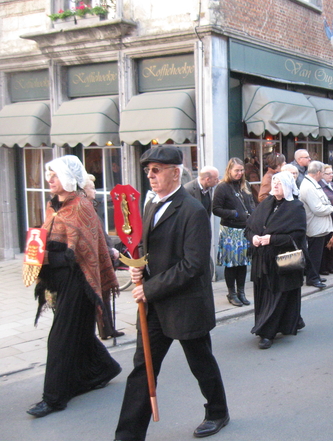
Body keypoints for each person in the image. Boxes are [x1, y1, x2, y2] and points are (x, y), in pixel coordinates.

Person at [114, 146, 229, 440]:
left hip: (185, 304)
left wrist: (148, 288)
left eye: (156, 170)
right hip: (154, 307)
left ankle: (217, 411)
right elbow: (151, 251)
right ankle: (127, 435)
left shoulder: (193, 210)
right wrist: (138, 267)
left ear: (175, 172)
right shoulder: (151, 205)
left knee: (201, 362)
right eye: (148, 171)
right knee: (143, 369)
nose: (150, 176)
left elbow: (193, 265)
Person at [27, 155, 121, 418]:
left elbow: (85, 252)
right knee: (76, 334)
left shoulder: (81, 206)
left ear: (68, 178)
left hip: (79, 283)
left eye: (55, 175)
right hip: (57, 281)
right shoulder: (54, 205)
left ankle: (54, 398)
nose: (49, 179)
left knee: (60, 339)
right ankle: (104, 368)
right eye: (49, 174)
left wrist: (51, 255)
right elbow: (49, 239)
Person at [245, 171, 307, 349]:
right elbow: (249, 228)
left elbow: (298, 235)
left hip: (282, 260)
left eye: (279, 183)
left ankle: (266, 332)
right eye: (274, 182)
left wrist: (272, 239)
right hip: (262, 261)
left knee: (279, 294)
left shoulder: (295, 207)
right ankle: (291, 321)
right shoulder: (265, 204)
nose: (275, 186)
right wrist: (254, 238)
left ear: (287, 186)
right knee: (265, 295)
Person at [83, 174, 124, 341]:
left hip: (103, 257)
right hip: (97, 261)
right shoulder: (84, 209)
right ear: (83, 191)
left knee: (105, 296)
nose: (94, 190)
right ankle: (104, 329)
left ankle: (107, 328)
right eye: (91, 188)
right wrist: (109, 250)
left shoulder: (91, 207)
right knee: (100, 297)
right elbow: (91, 238)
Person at [213, 157, 255, 306]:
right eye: (237, 170)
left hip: (245, 230)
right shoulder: (222, 187)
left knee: (243, 263)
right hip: (230, 231)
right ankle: (231, 294)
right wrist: (234, 214)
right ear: (229, 170)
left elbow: (251, 204)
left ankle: (241, 292)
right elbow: (216, 209)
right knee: (231, 264)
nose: (240, 173)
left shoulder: (246, 185)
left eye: (242, 170)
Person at [299, 161, 333, 289]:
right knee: (314, 254)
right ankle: (312, 278)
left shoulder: (312, 184)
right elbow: (317, 208)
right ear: (319, 173)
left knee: (317, 254)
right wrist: (330, 209)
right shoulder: (308, 186)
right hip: (315, 226)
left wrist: (327, 207)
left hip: (319, 226)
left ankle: (315, 276)